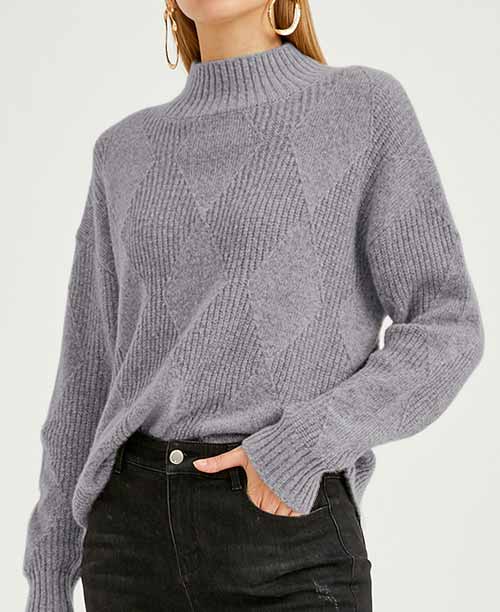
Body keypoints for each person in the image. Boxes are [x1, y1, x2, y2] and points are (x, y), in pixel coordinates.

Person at [22, 1, 485, 611]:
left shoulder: (362, 109)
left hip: (285, 527)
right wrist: (49, 574)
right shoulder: (122, 152)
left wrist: (306, 443)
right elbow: (86, 378)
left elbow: (447, 324)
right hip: (130, 541)